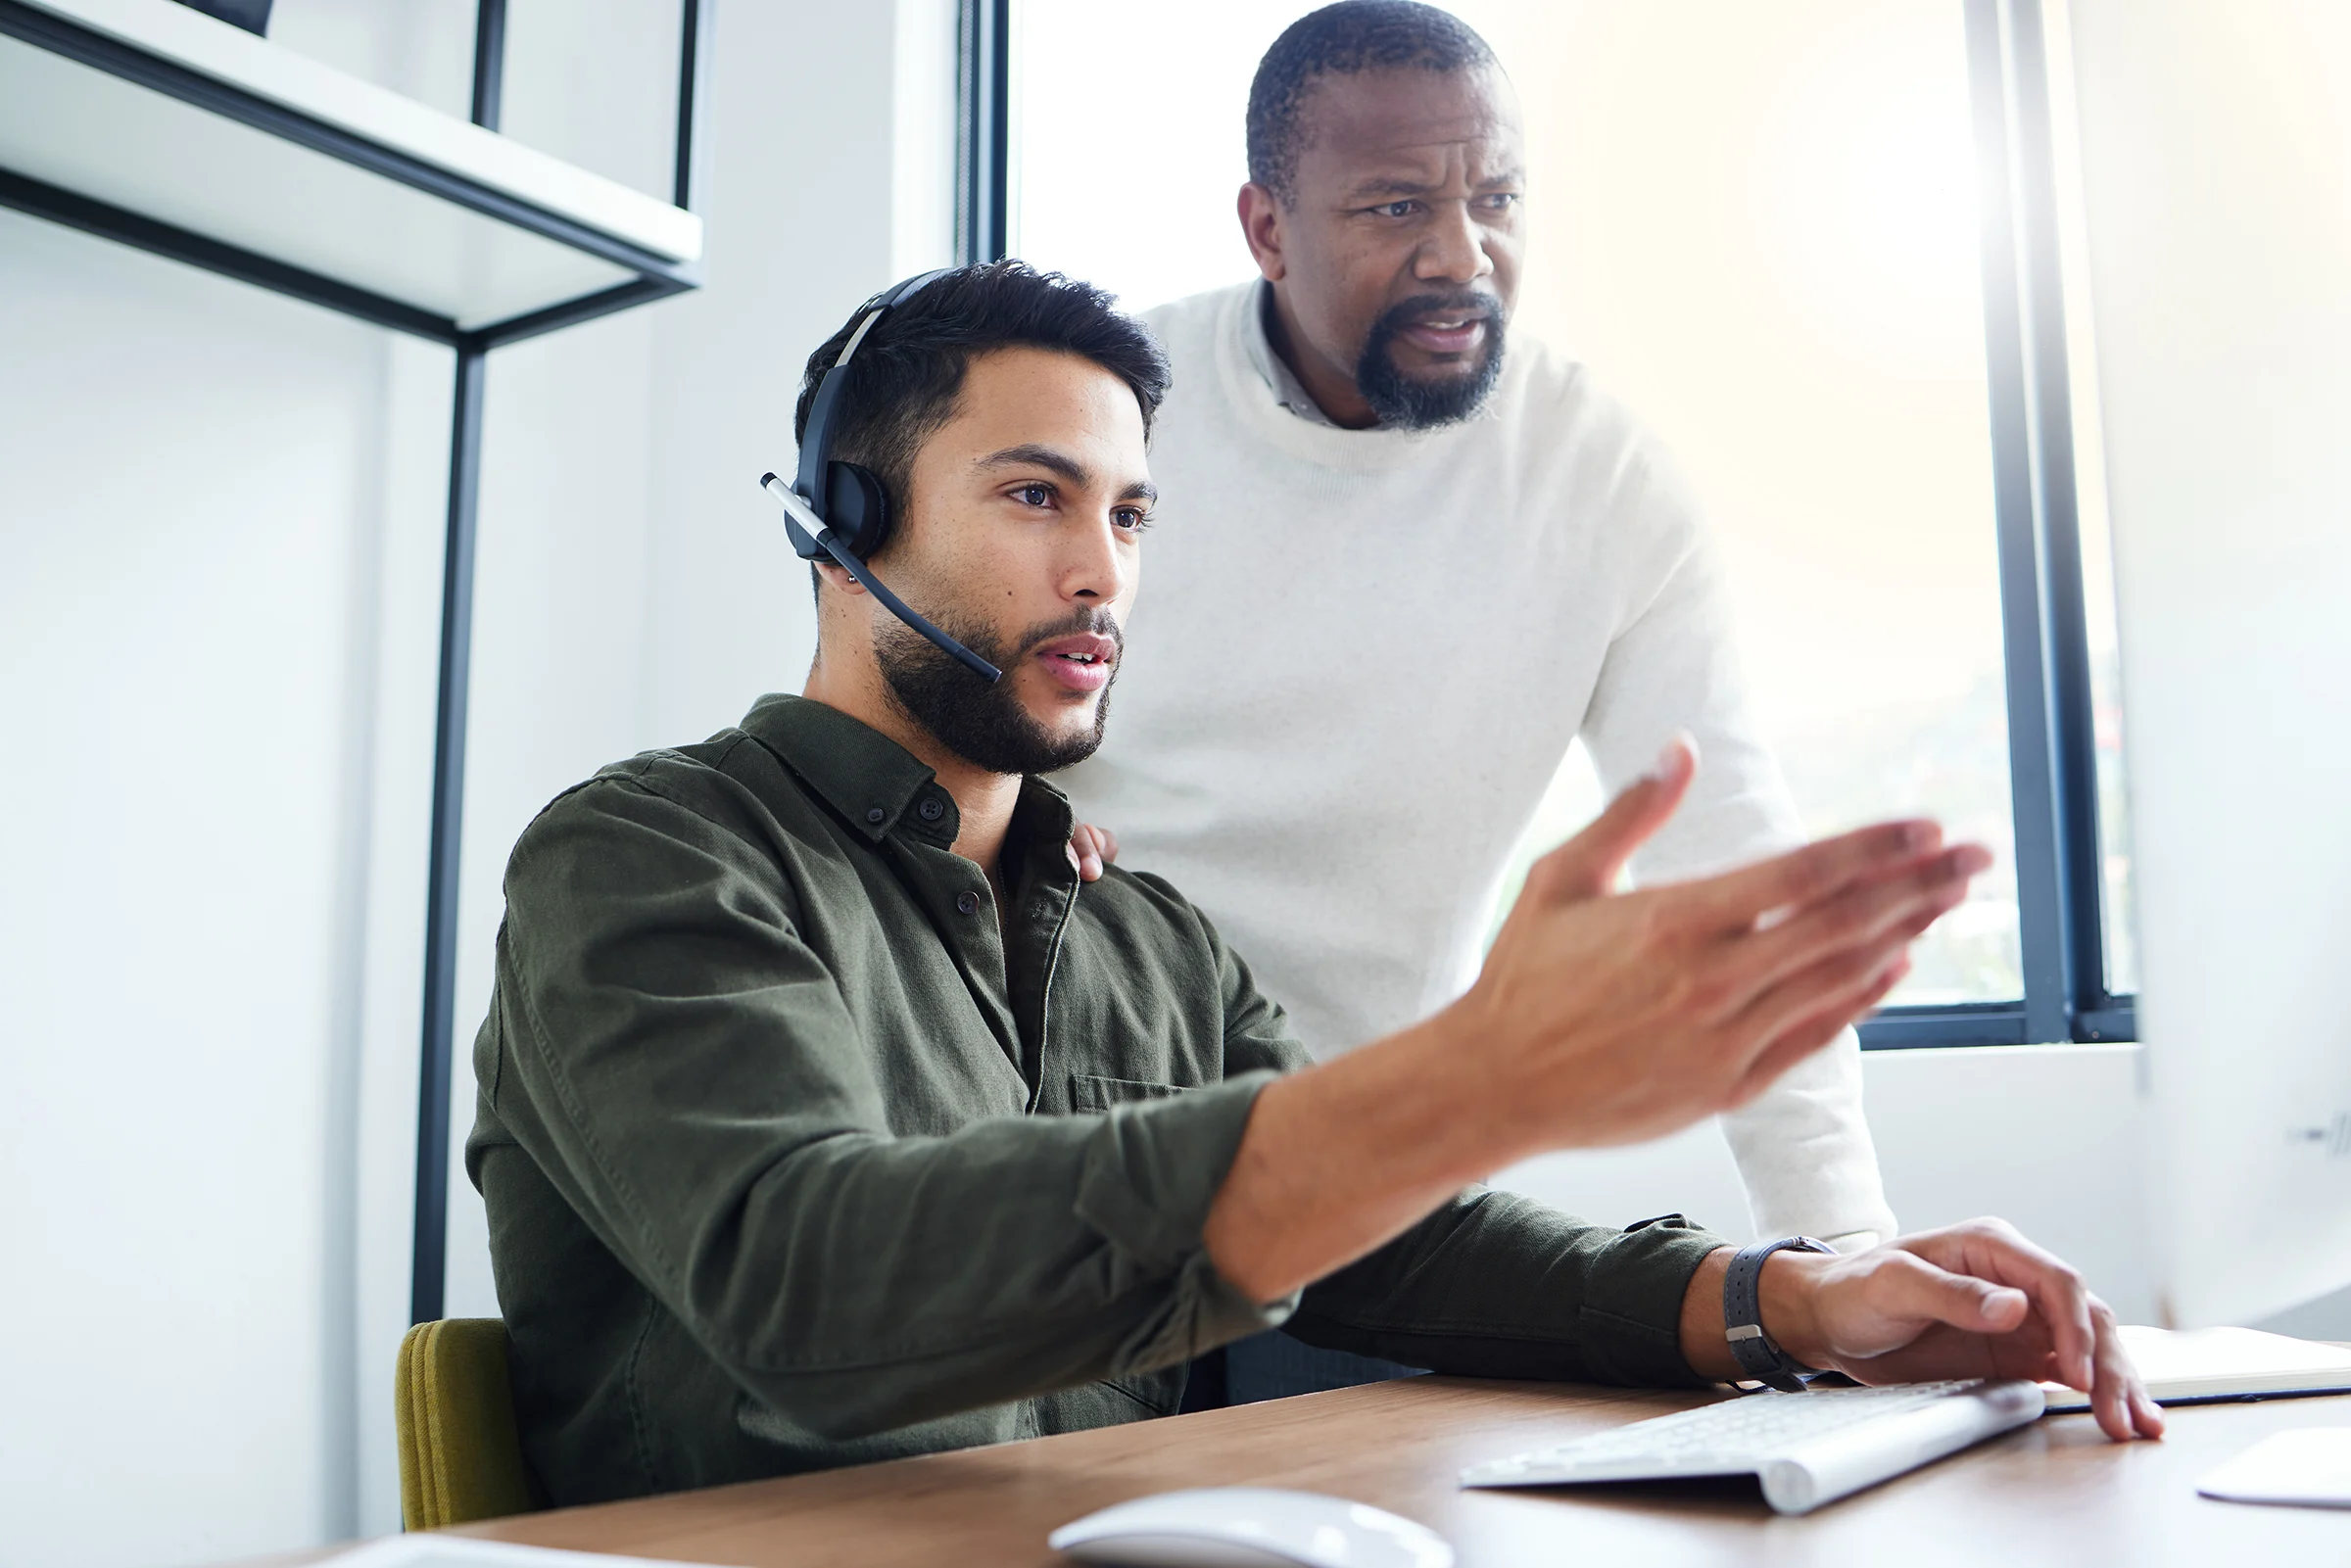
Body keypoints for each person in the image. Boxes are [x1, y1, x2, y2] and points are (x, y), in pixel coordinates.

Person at [464, 261, 2157, 1508]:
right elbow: (807, 1276)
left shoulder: (1151, 936)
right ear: (844, 522)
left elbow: (1385, 1256)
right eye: (1034, 497)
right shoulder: (649, 860)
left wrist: (1790, 1299)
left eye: (1131, 514)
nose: (1100, 572)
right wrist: (1471, 1077)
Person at [1055, 0, 1899, 1401]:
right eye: (1395, 207)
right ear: (1268, 228)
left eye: (1495, 199)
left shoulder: (1601, 484)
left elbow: (1732, 884)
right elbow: (922, 738)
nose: (1462, 257)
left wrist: (1850, 1253)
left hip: (1373, 1195)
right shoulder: (1109, 423)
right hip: (1067, 1158)